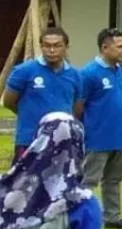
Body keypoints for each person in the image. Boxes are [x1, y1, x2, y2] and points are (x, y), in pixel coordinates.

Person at [79, 27, 122, 229]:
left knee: (113, 179)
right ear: (105, 47)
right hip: (97, 137)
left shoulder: (119, 71)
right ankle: (80, 215)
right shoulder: (88, 73)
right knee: (89, 180)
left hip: (117, 137)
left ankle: (113, 217)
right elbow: (78, 105)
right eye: (119, 46)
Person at [4, 26, 82, 161]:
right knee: (23, 181)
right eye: (47, 46)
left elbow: (76, 107)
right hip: (30, 140)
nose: (52, 50)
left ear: (66, 47)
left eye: (57, 46)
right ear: (41, 47)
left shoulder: (75, 75)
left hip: (62, 141)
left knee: (58, 181)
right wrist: (31, 115)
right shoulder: (24, 71)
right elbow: (8, 102)